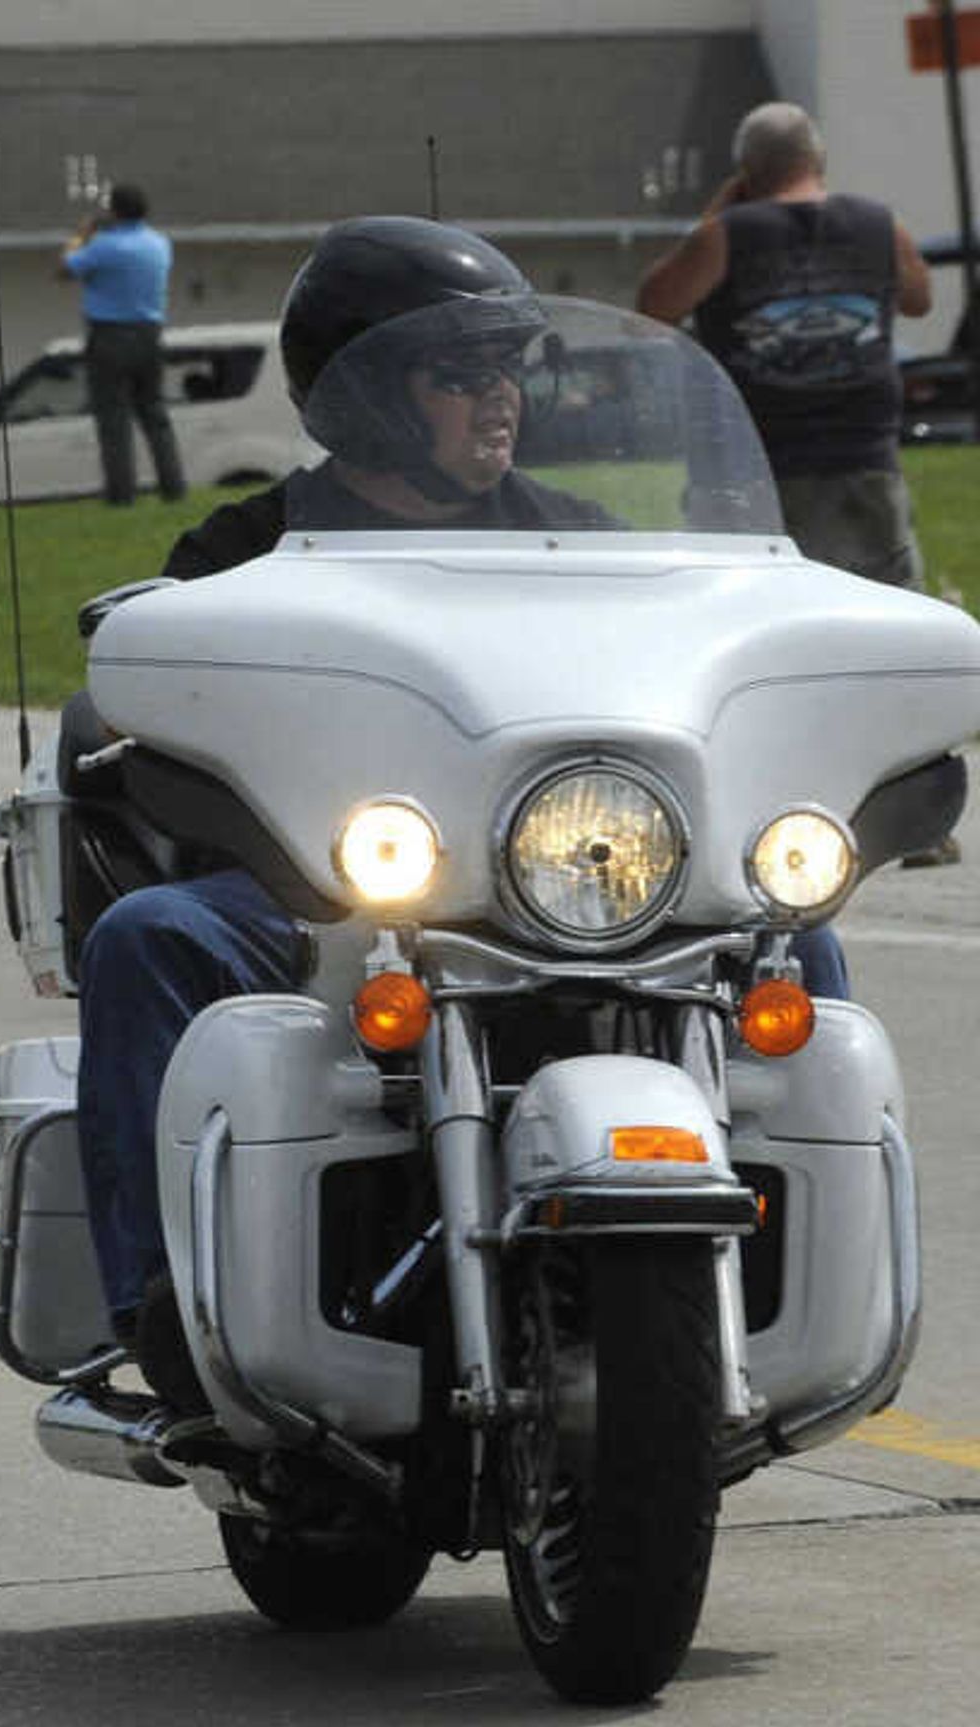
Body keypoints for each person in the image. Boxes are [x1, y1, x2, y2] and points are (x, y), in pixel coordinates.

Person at [67, 216, 851, 1407]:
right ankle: (164, 1302)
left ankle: (786, 1262)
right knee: (149, 939)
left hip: (580, 893)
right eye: (462, 374)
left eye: (510, 370)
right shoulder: (247, 551)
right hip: (329, 902)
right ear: (373, 394)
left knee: (807, 935)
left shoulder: (583, 542)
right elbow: (148, 706)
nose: (501, 400)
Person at [635, 99, 935, 588]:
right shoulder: (881, 225)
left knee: (751, 605)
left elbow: (653, 308)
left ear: (745, 172)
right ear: (818, 161)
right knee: (886, 608)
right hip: (863, 457)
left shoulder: (724, 236)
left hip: (753, 464)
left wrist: (717, 212)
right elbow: (919, 300)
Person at [62, 184, 190, 505]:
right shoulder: (160, 244)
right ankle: (173, 487)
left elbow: (66, 268)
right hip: (150, 333)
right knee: (154, 413)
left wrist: (84, 232)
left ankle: (121, 494)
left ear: (114, 211)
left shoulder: (104, 245)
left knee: (114, 418)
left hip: (110, 335)